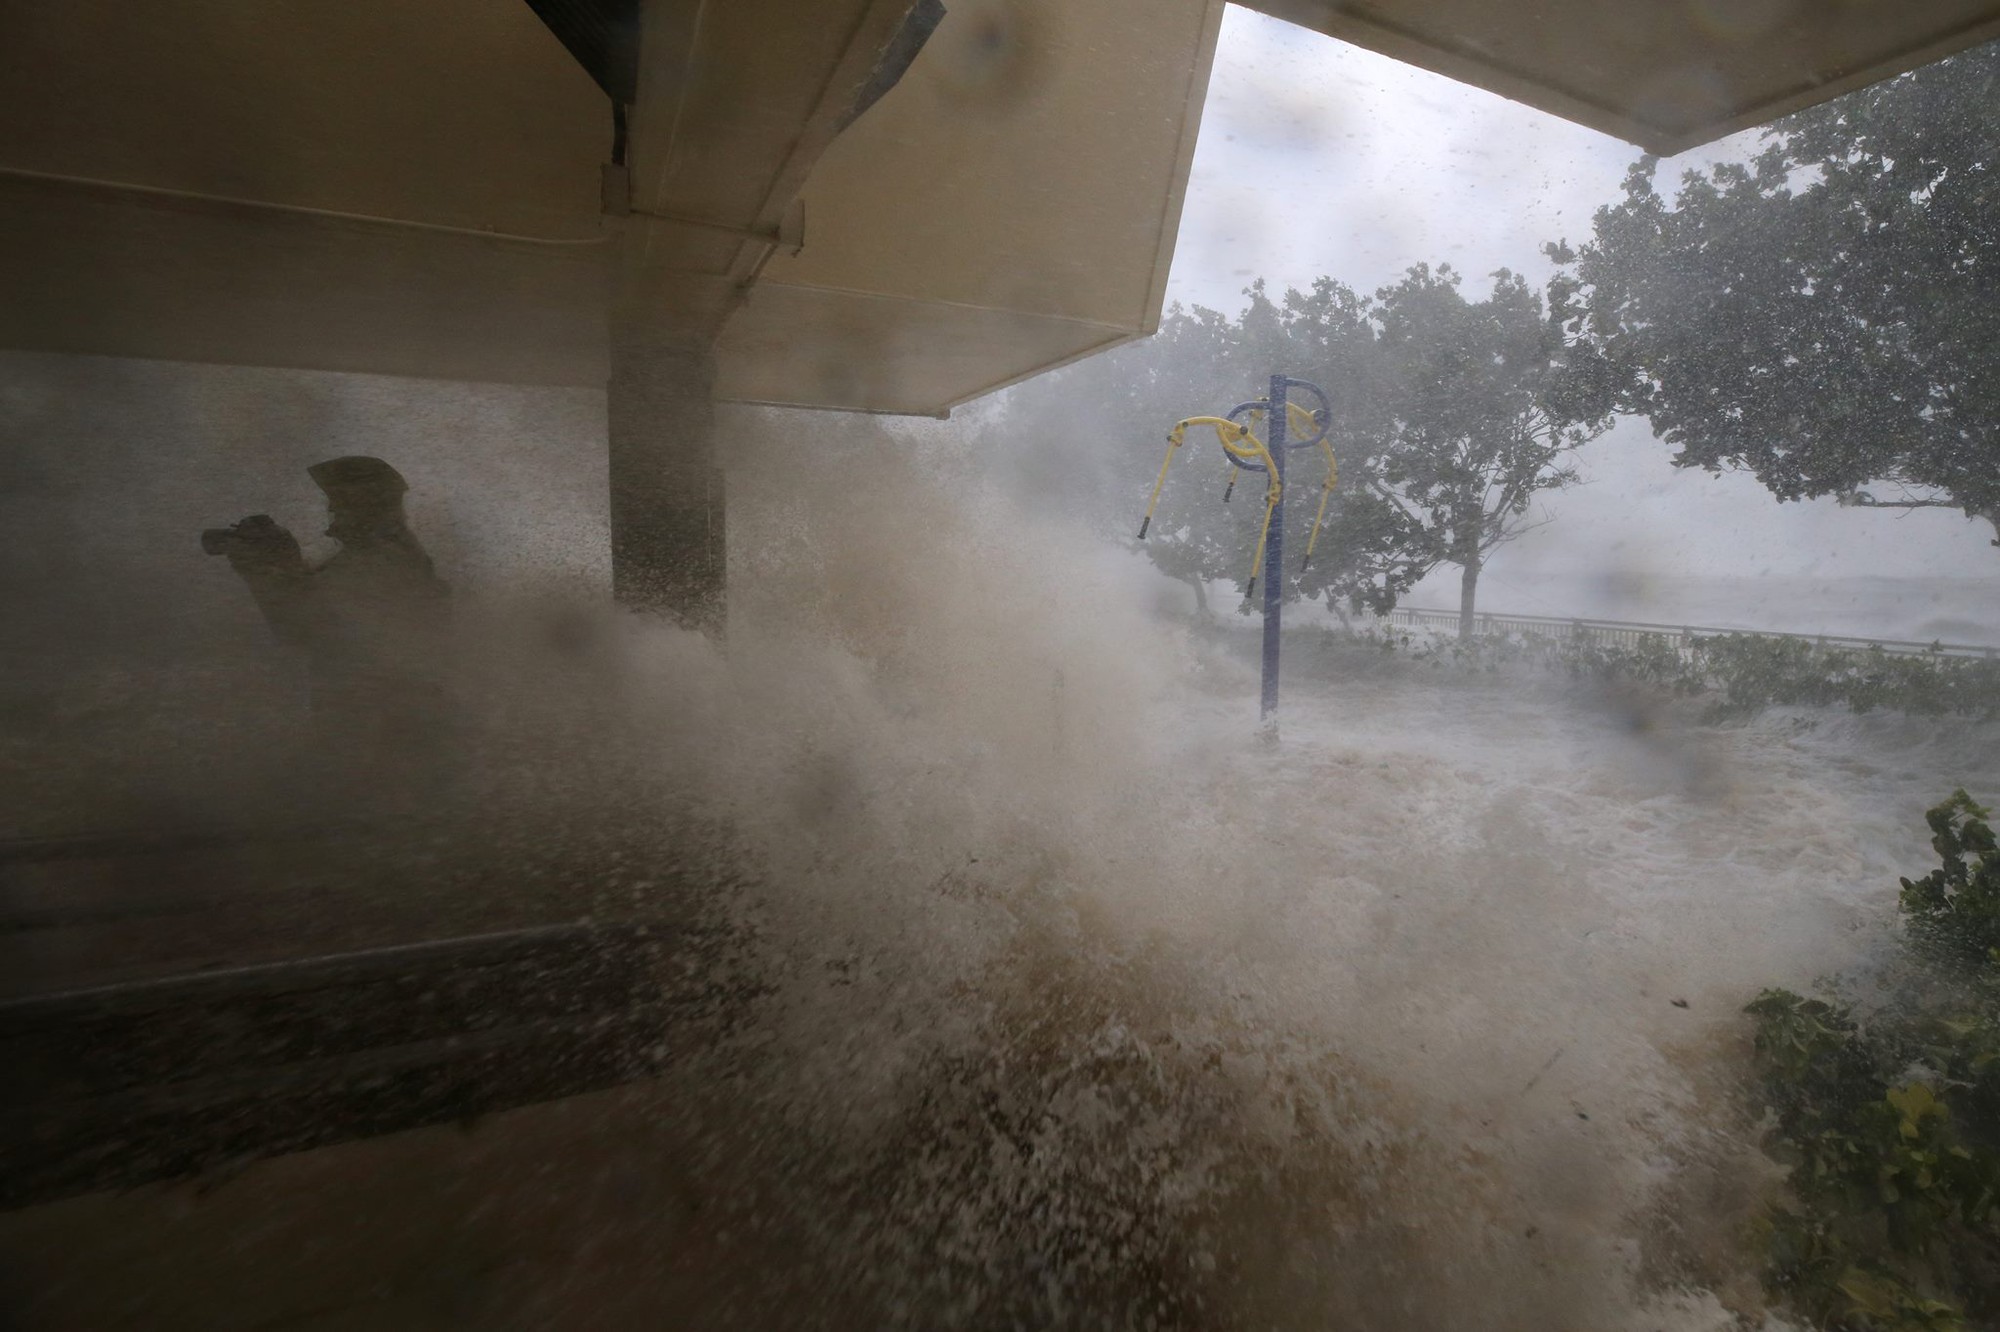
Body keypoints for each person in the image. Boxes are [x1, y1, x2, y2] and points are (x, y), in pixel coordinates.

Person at [204, 456, 451, 777]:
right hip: (378, 719)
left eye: (339, 502)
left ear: (363, 505)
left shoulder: (383, 559)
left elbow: (304, 627)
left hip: (378, 725)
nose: (332, 512)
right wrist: (273, 564)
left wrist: (269, 565)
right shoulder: (381, 553)